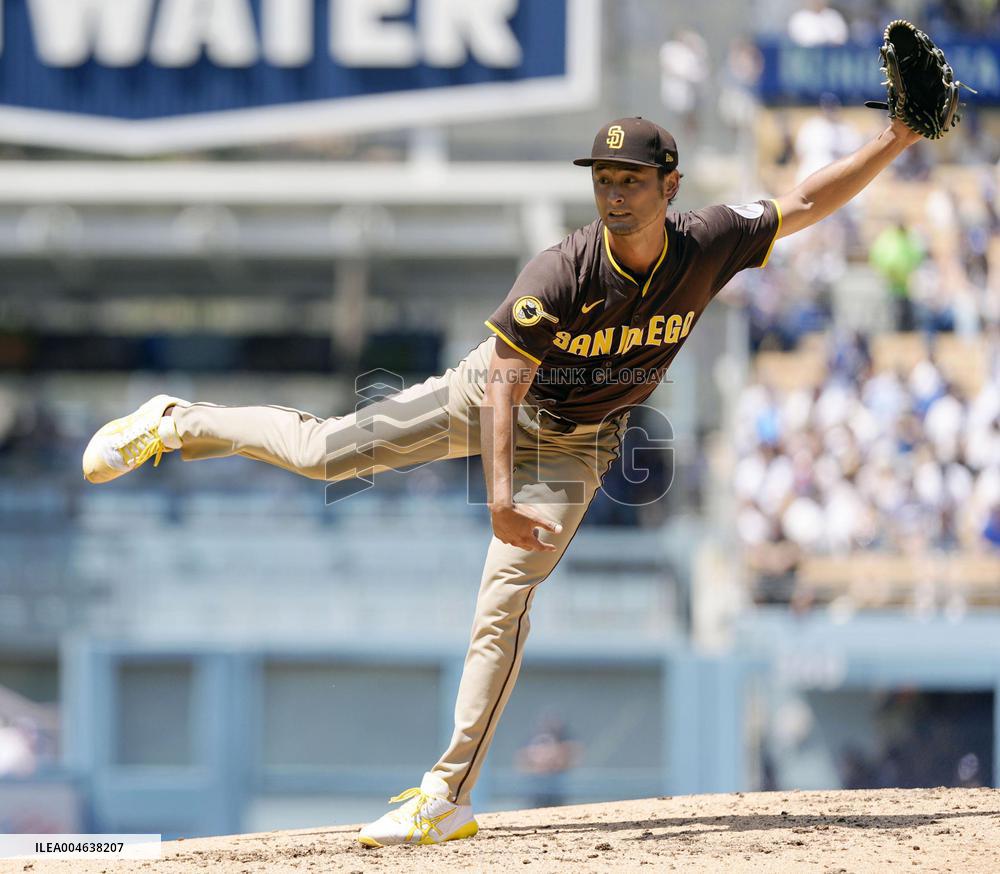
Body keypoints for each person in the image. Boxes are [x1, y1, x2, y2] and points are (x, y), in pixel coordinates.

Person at [82, 114, 922, 847]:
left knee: (503, 599)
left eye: (631, 179)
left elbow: (804, 201)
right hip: (487, 395)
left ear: (669, 186)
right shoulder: (562, 269)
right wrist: (499, 499)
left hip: (577, 446)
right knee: (325, 454)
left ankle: (446, 796)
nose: (614, 194)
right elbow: (504, 389)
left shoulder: (708, 243)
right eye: (603, 179)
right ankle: (176, 422)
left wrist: (896, 137)